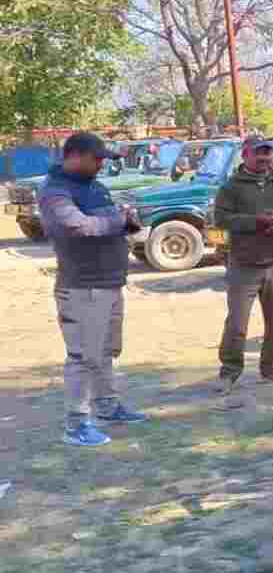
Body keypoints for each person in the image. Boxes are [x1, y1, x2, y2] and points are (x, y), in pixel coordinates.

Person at [37, 132, 147, 447]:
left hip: (109, 283)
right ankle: (76, 424)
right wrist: (117, 221)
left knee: (106, 351)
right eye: (96, 158)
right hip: (83, 287)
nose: (101, 164)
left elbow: (106, 222)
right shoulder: (55, 192)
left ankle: (107, 407)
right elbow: (78, 226)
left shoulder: (94, 187)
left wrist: (127, 220)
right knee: (83, 356)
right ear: (74, 156)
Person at [213, 137, 273, 392]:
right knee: (237, 324)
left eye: (267, 153)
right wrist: (256, 221)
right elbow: (221, 219)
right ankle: (229, 373)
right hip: (244, 265)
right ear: (245, 155)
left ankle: (271, 369)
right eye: (258, 153)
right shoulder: (231, 187)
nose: (264, 158)